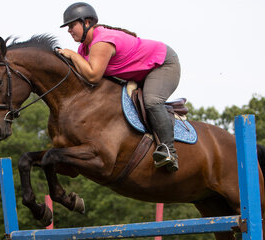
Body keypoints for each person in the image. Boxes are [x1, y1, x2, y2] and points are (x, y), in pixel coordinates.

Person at [58, 2, 181, 172]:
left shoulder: (102, 41)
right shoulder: (84, 49)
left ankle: (169, 151)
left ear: (86, 23)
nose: (69, 30)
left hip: (162, 64)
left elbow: (93, 76)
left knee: (151, 101)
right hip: (139, 73)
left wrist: (71, 55)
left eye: (72, 25)